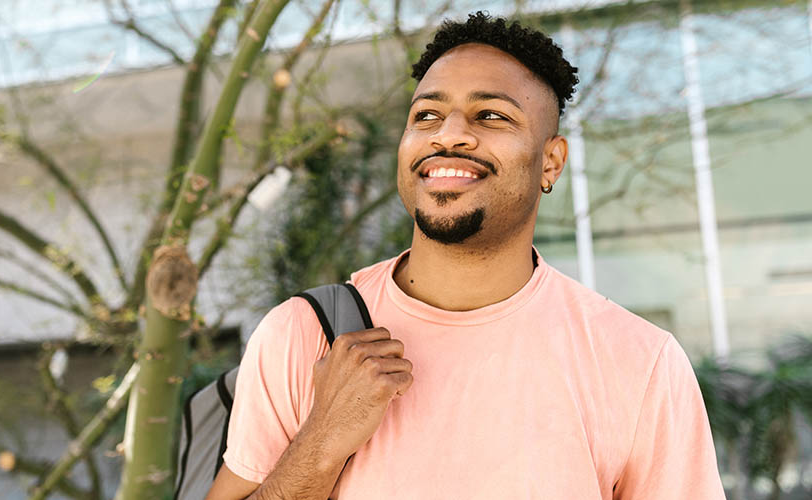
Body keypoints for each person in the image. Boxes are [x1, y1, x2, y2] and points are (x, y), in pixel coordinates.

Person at [206, 11, 726, 500]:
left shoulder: (638, 361)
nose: (449, 134)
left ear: (551, 162)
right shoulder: (305, 334)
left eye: (492, 115)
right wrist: (319, 446)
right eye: (427, 114)